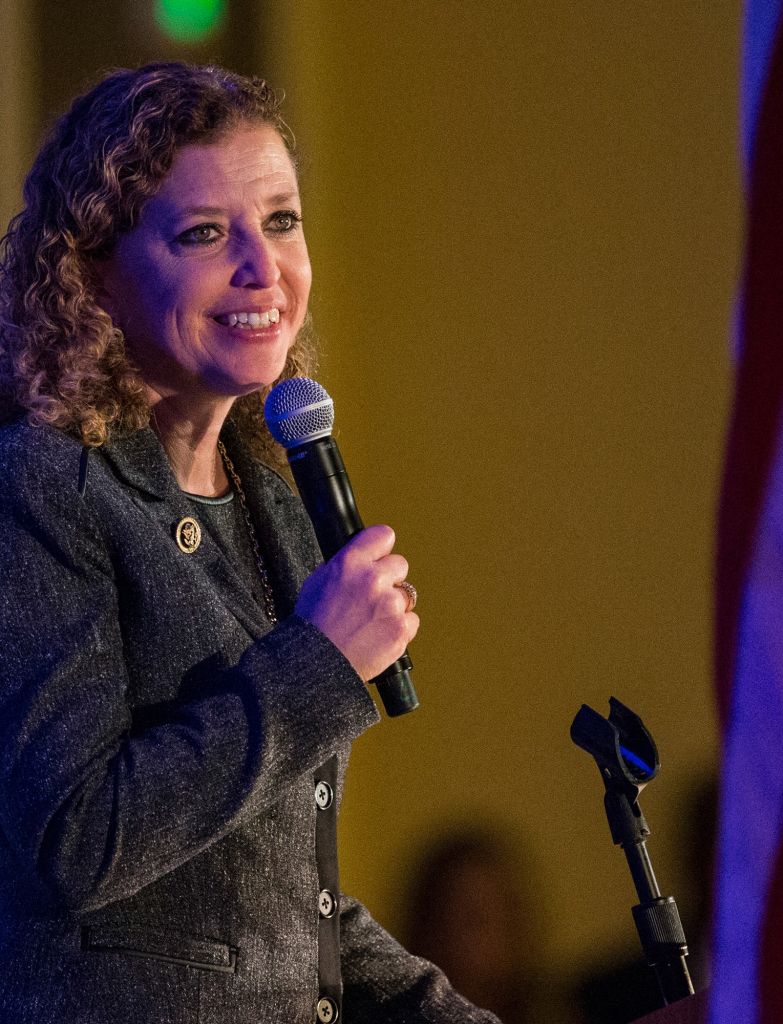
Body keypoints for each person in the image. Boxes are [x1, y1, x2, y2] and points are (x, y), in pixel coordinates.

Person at [0, 62, 500, 1024]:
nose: (263, 269)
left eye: (281, 221)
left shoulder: (276, 500)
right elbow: (77, 841)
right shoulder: (41, 487)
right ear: (92, 271)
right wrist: (318, 665)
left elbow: (263, 905)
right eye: (204, 234)